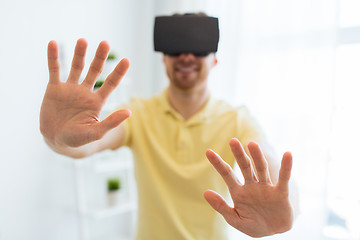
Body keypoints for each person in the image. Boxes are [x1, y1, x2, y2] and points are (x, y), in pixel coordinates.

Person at [40, 13, 294, 240]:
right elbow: (90, 143)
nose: (186, 55)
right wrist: (57, 139)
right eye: (175, 48)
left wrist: (284, 204)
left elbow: (268, 159)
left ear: (214, 60)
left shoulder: (236, 119)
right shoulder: (138, 113)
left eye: (198, 48)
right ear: (163, 59)